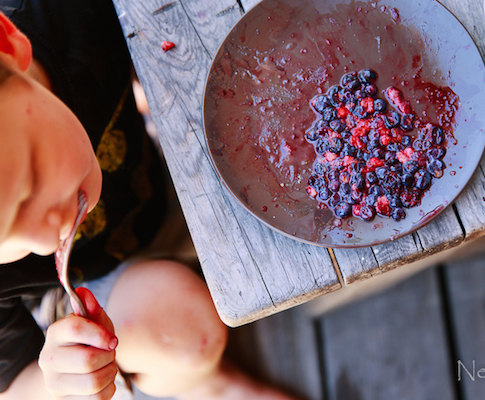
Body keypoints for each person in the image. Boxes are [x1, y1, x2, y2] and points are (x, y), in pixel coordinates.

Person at [0, 1, 298, 399]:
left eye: (31, 181)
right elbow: (14, 384)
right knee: (186, 332)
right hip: (91, 289)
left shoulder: (64, 15)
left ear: (8, 45)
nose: (44, 235)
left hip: (161, 172)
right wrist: (59, 381)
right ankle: (204, 385)